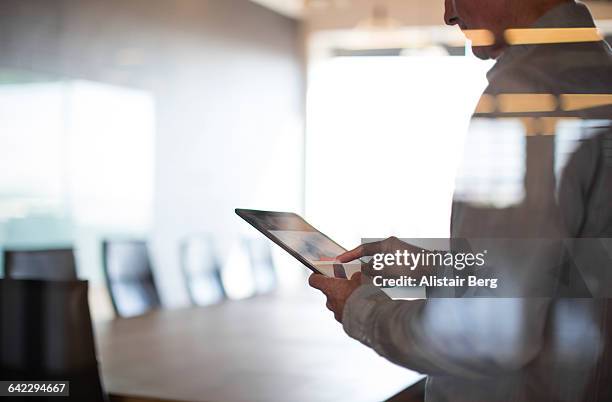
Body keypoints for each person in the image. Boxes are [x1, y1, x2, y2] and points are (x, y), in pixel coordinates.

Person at [309, 1, 612, 401]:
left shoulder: (530, 92)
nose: (448, 15)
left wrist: (361, 309)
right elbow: (572, 269)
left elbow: (484, 331)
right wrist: (424, 265)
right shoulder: (595, 70)